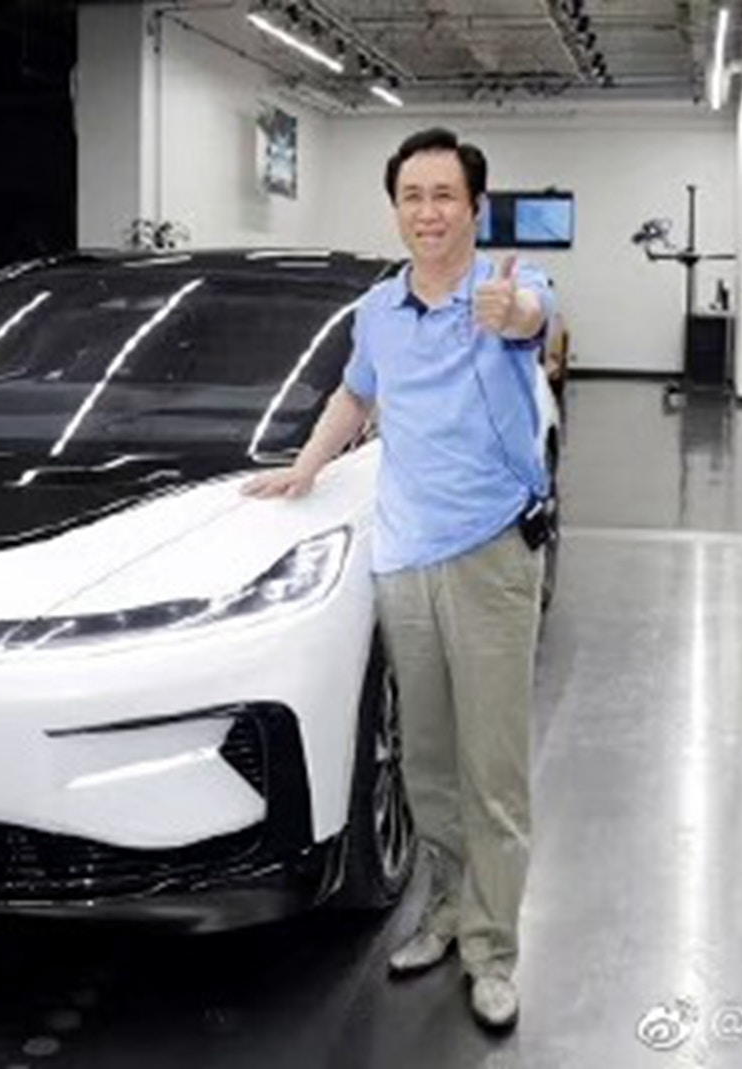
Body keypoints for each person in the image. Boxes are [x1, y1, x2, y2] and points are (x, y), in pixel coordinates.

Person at [243, 127, 553, 1032]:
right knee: (426, 762)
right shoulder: (378, 308)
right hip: (403, 557)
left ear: (474, 207)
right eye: (412, 196)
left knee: (492, 769)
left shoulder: (508, 287)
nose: (427, 212)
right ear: (395, 208)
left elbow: (531, 317)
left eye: (444, 195)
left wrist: (511, 313)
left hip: (490, 556)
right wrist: (305, 466)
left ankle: (492, 950)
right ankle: (447, 910)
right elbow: (356, 392)